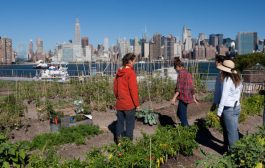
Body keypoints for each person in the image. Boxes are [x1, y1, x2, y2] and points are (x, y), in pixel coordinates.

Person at [113, 53, 140, 143]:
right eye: (134, 61)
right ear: (130, 61)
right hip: (129, 104)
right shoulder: (130, 73)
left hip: (120, 103)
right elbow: (133, 90)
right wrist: (137, 104)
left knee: (120, 123)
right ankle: (128, 145)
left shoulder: (119, 72)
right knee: (129, 125)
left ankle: (119, 143)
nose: (135, 63)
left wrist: (118, 97)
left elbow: (115, 88)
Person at [217, 60, 242, 149]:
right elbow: (239, 92)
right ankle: (238, 151)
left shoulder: (227, 80)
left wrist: (219, 112)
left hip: (229, 109)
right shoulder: (237, 78)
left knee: (231, 133)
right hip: (236, 107)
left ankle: (233, 154)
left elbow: (224, 96)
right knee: (234, 131)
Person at [171, 59, 198, 126]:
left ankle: (186, 128)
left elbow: (179, 88)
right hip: (188, 96)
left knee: (181, 114)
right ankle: (184, 125)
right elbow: (192, 86)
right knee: (180, 113)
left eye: (175, 68)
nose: (176, 70)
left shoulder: (181, 74)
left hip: (183, 96)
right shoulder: (188, 73)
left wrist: (174, 98)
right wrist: (194, 97)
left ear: (178, 66)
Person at [210, 54, 229, 151]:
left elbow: (224, 94)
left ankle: (229, 147)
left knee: (227, 127)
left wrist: (219, 111)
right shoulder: (220, 74)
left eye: (216, 61)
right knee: (225, 126)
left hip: (227, 105)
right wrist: (214, 103)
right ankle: (226, 145)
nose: (215, 63)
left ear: (220, 62)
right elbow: (218, 91)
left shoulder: (225, 75)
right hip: (224, 104)